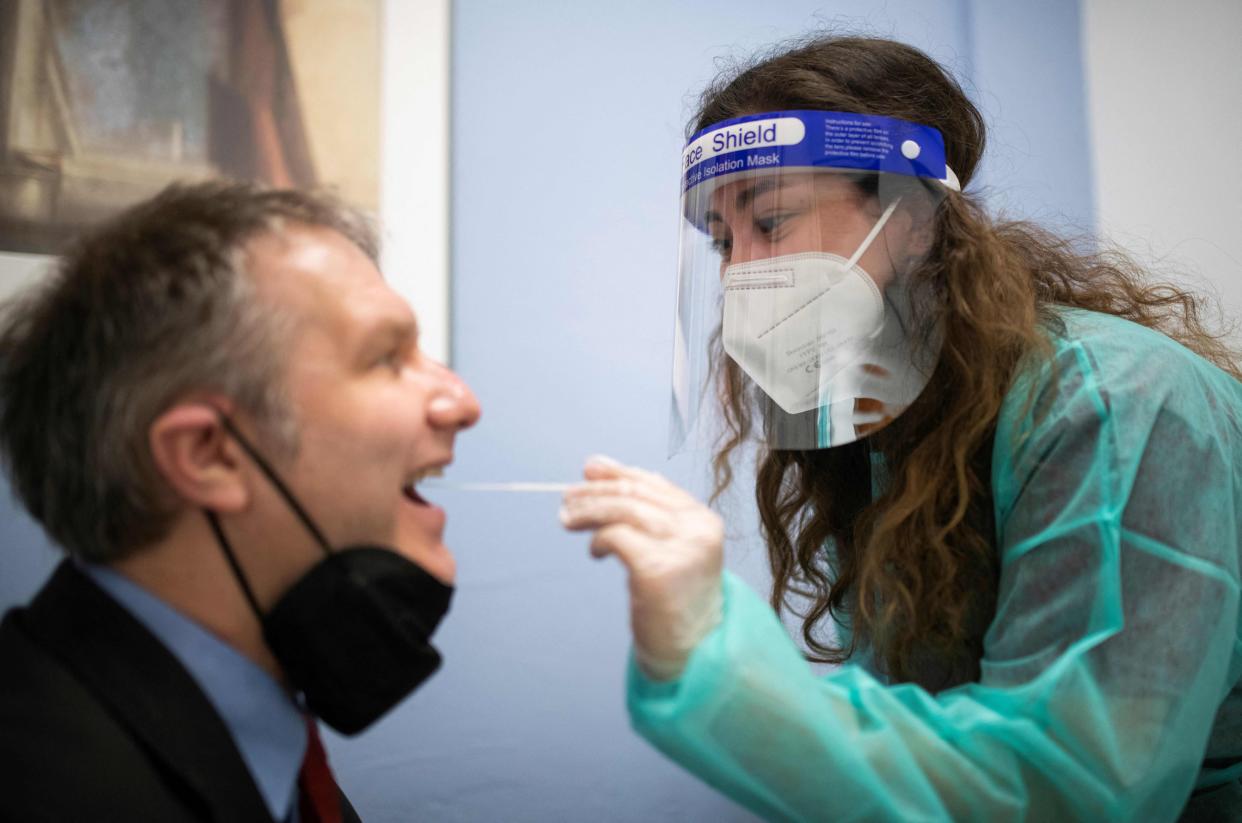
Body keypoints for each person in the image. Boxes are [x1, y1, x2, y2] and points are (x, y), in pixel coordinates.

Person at [560, 35, 1242, 821]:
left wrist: (717, 667)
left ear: (912, 218)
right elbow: (926, 740)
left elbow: (1073, 784)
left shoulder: (1117, 405)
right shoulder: (902, 429)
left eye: (771, 222)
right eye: (722, 242)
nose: (740, 275)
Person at [0, 182, 480, 821]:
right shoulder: (50, 789)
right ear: (207, 453)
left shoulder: (258, 744)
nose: (462, 403)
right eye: (387, 356)